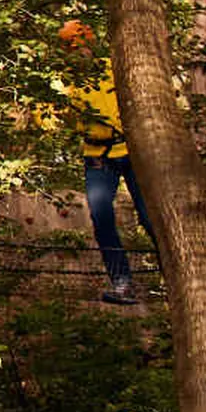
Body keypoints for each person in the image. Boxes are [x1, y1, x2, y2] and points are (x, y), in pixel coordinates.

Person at [56, 20, 151, 306]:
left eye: (80, 44)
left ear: (90, 42)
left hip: (132, 151)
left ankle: (174, 269)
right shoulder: (66, 82)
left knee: (150, 216)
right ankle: (121, 281)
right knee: (101, 216)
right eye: (71, 46)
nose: (78, 51)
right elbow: (51, 118)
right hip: (97, 156)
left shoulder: (112, 68)